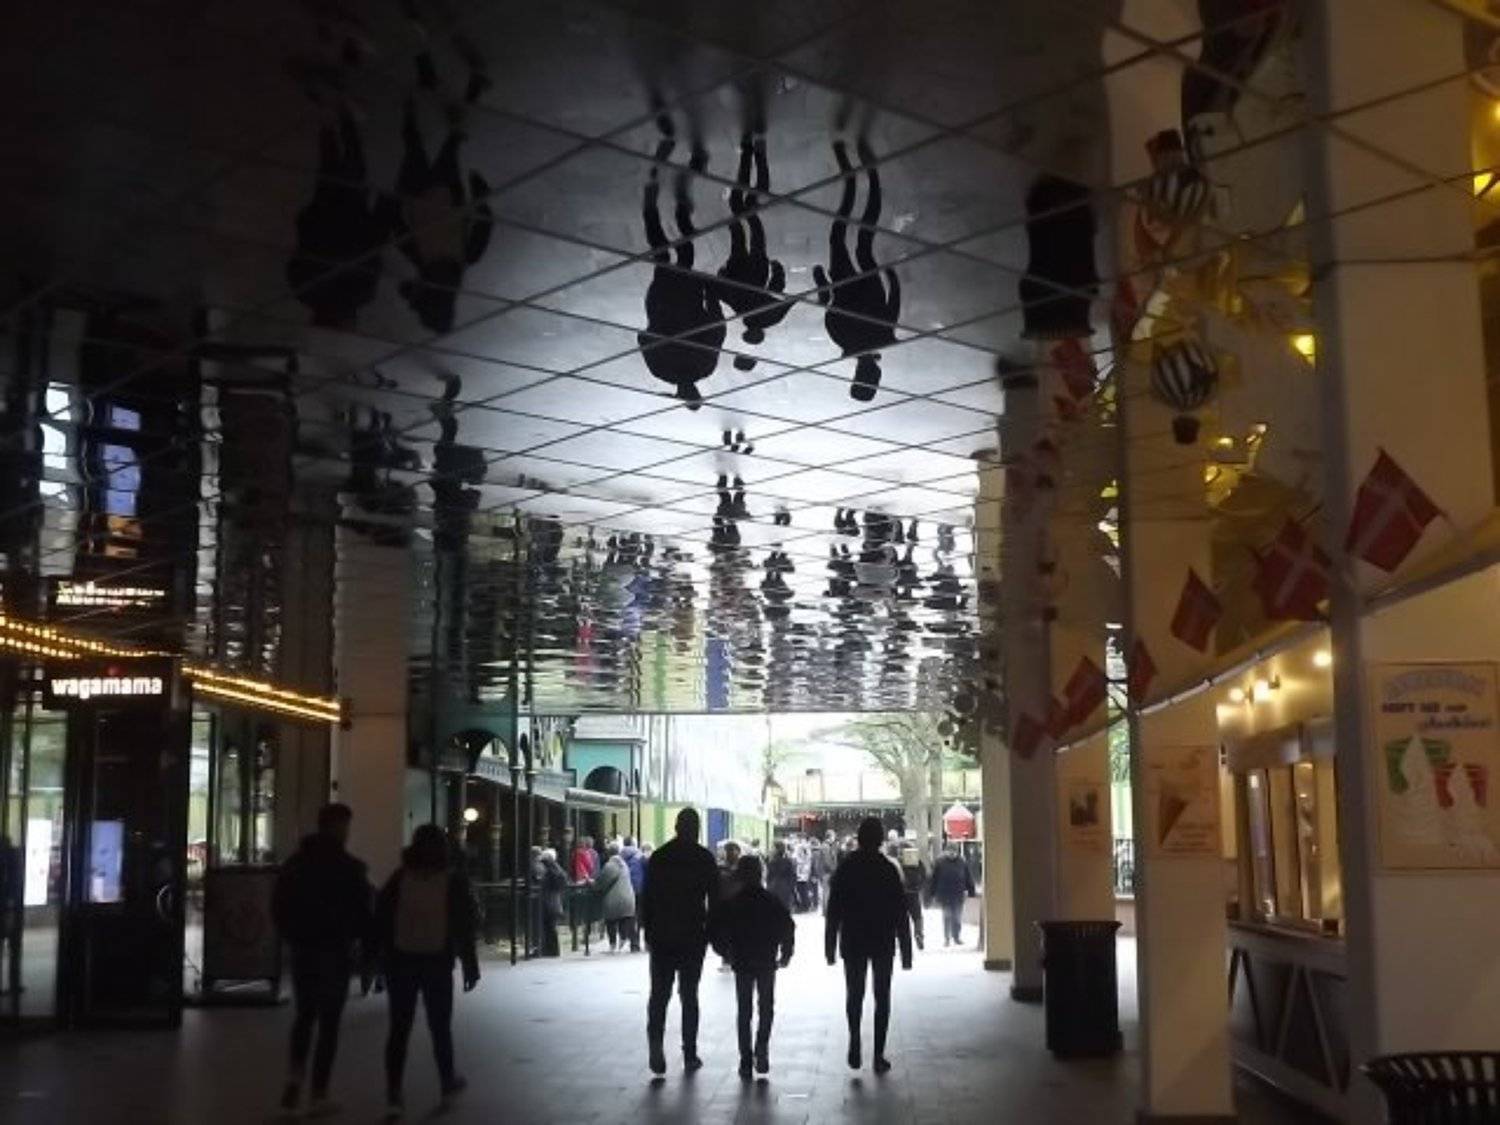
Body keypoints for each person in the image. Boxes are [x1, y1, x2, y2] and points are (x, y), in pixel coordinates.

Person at [272, 802, 374, 1118]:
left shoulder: (296, 865)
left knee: (305, 1017)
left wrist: (293, 935)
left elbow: (279, 905)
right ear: (339, 827)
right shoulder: (350, 868)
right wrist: (361, 945)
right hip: (335, 951)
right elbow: (363, 913)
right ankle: (319, 1093)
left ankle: (292, 1089)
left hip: (304, 949)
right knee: (329, 1024)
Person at [374, 824, 480, 1119]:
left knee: (399, 1029)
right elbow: (464, 924)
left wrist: (377, 960)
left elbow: (381, 919)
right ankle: (446, 1082)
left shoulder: (400, 878)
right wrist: (469, 963)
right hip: (436, 960)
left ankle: (394, 1095)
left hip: (402, 959)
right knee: (440, 1026)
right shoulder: (452, 880)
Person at [813, 138, 901, 403]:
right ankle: (852, 178)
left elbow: (893, 303)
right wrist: (822, 282)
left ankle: (869, 176)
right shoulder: (842, 339)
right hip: (846, 285)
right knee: (841, 235)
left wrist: (891, 277)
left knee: (863, 240)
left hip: (868, 287)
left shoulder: (882, 337)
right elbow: (829, 307)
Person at [825, 817, 913, 1075]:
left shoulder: (846, 868)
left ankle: (854, 1039)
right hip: (882, 939)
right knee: (882, 996)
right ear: (880, 840)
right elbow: (900, 912)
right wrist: (906, 950)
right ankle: (878, 1054)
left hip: (853, 939)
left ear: (859, 838)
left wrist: (829, 946)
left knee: (854, 993)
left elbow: (833, 910)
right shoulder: (888, 869)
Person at [640, 808, 719, 1075]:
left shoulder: (660, 856)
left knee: (659, 995)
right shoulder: (704, 858)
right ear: (697, 829)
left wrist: (647, 930)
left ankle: (655, 1045)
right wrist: (713, 933)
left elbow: (647, 897)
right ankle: (690, 1053)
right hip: (692, 934)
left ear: (676, 827)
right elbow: (715, 901)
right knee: (689, 995)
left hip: (662, 934)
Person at [710, 854, 795, 1080]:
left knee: (744, 1010)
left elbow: (715, 929)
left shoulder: (732, 903)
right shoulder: (771, 900)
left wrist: (726, 952)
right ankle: (762, 1048)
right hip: (766, 959)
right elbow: (788, 927)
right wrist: (786, 953)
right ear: (760, 874)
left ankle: (745, 1059)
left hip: (742, 960)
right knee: (766, 1007)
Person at [929, 846, 978, 947]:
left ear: (957, 852)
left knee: (957, 917)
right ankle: (947, 938)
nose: (952, 853)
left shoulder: (962, 862)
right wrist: (932, 894)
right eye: (950, 851)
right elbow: (934, 879)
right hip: (944, 894)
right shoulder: (939, 862)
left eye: (954, 851)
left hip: (958, 894)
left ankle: (956, 937)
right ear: (946, 852)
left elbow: (968, 877)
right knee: (947, 916)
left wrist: (971, 891)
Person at [595, 845, 637, 953]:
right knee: (623, 919)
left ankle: (613, 945)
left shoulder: (610, 866)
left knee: (611, 921)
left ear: (609, 853)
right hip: (628, 897)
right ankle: (622, 940)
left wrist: (593, 884)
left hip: (614, 898)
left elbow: (602, 882)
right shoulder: (624, 864)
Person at [895, 841, 928, 952]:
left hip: (899, 894)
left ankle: (900, 937)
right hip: (913, 893)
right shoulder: (916, 860)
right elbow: (924, 875)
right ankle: (919, 934)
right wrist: (919, 887)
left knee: (900, 918)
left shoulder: (896, 861)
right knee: (917, 916)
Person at [538, 847, 568, 958]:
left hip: (550, 901)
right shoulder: (557, 869)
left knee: (549, 927)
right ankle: (551, 950)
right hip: (554, 901)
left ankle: (551, 950)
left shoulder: (551, 870)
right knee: (550, 927)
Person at [621, 836, 647, 952]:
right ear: (634, 844)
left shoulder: (620, 857)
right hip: (641, 890)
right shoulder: (640, 856)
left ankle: (634, 943)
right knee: (644, 916)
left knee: (631, 917)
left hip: (627, 890)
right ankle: (647, 943)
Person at [765, 841, 796, 913]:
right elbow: (793, 876)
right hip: (785, 889)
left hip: (775, 889)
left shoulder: (773, 862)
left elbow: (769, 877)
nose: (771, 850)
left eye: (773, 848)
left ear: (776, 850)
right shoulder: (788, 862)